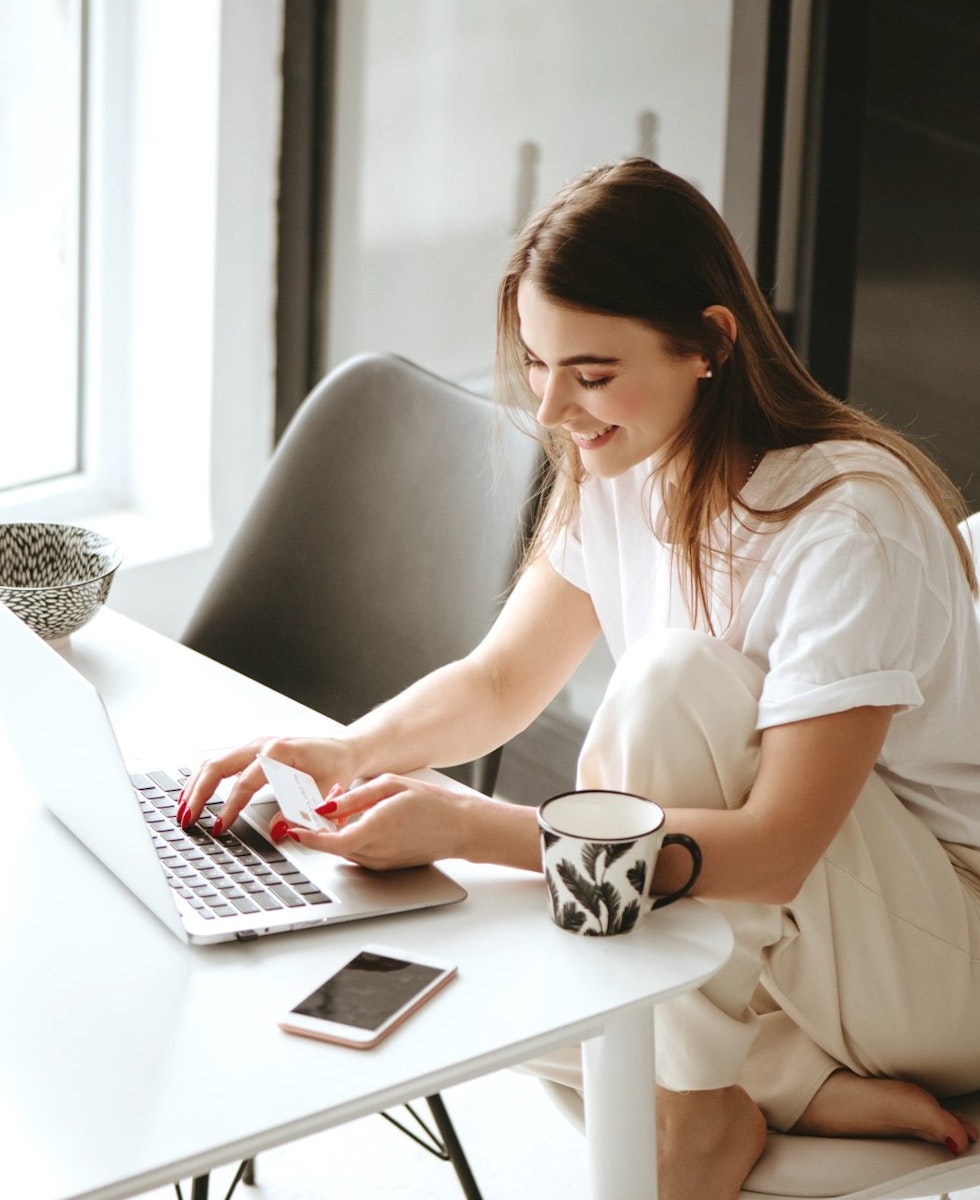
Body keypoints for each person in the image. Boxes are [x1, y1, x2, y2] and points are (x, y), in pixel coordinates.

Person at [180, 158, 980, 1199]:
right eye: (535, 362)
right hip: (807, 950)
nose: (553, 406)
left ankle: (696, 1116)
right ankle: (780, 1082)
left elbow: (779, 852)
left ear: (710, 344)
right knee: (482, 983)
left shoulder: (845, 523)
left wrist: (471, 828)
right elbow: (498, 679)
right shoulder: (623, 463)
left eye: (591, 373)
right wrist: (343, 750)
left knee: (670, 695)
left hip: (938, 958)